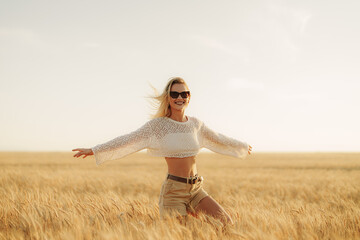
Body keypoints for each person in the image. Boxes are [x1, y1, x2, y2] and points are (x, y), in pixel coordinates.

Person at [72, 77, 252, 224]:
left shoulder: (196, 125)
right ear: (168, 97)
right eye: (174, 94)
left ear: (189, 97)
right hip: (173, 192)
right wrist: (95, 150)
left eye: (184, 93)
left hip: (196, 189)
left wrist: (241, 146)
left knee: (227, 224)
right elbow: (128, 139)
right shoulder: (158, 126)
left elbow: (218, 138)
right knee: (181, 236)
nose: (179, 97)